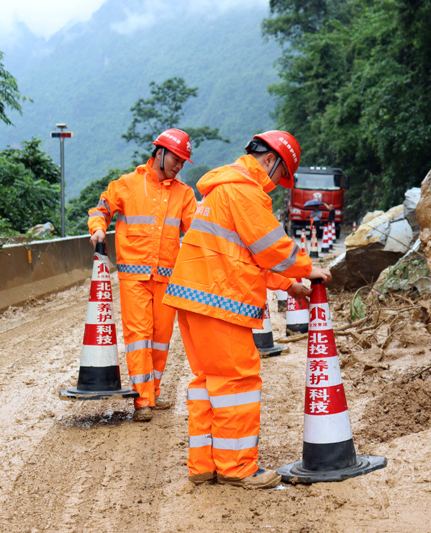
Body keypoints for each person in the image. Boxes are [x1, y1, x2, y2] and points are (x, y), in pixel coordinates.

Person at [163, 130, 331, 489]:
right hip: (218, 301)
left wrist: (289, 284)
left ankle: (204, 465)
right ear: (270, 160)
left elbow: (243, 255)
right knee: (238, 380)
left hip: (193, 298)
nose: (275, 186)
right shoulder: (244, 190)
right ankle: (237, 467)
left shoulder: (223, 188)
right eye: (279, 176)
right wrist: (306, 268)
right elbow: (271, 246)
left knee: (207, 382)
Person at [88, 128, 197, 422]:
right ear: (159, 153)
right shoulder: (127, 184)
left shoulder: (184, 195)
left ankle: (154, 390)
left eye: (183, 161)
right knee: (139, 336)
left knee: (161, 338)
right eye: (176, 158)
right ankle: (142, 399)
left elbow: (197, 233)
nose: (179, 165)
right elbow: (101, 208)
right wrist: (98, 227)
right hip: (133, 276)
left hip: (166, 278)